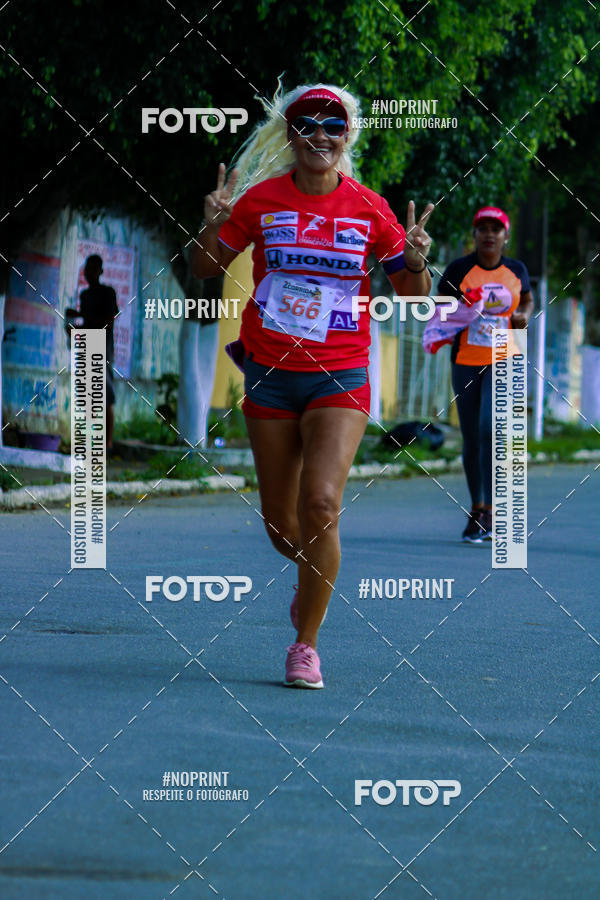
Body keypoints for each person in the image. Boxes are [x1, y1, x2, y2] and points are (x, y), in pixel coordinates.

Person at [192, 84, 433, 687]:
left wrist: (415, 260)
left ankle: (306, 643)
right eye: (307, 125)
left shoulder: (369, 207)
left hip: (342, 375)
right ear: (291, 133)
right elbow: (203, 272)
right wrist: (210, 229)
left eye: (334, 126)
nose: (320, 136)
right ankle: (310, 586)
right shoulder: (260, 202)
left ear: (347, 135)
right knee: (281, 524)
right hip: (271, 375)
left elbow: (413, 297)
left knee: (321, 504)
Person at [433, 207, 533, 543]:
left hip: (505, 355)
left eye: (496, 229)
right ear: (475, 235)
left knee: (490, 427)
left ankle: (491, 508)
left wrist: (522, 314)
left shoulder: (516, 270)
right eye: (482, 228)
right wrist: (465, 309)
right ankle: (478, 509)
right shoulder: (458, 270)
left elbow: (528, 300)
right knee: (472, 435)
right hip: (466, 359)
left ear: (506, 236)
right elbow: (439, 312)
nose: (489, 234)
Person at [79, 255, 119, 451]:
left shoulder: (107, 293)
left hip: (103, 348)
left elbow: (108, 321)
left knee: (106, 395)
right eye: (87, 269)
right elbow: (87, 324)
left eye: (93, 269)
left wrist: (83, 318)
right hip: (88, 346)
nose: (89, 273)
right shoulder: (85, 296)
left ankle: (108, 443)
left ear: (100, 271)